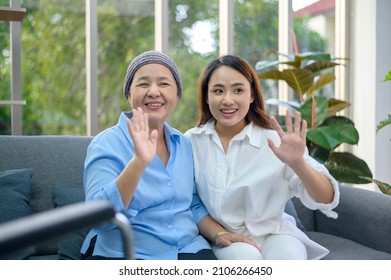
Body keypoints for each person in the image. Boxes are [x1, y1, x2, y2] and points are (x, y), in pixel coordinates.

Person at [80, 50, 256, 260]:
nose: (154, 92)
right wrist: (139, 163)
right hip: (126, 253)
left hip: (188, 249)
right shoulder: (107, 143)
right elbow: (98, 217)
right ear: (129, 95)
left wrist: (219, 234)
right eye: (143, 84)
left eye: (164, 84)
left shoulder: (184, 143)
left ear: (177, 95)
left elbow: (192, 204)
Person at [185, 54, 340, 260]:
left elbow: (326, 199)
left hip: (276, 234)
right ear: (206, 96)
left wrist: (298, 162)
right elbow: (188, 203)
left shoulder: (276, 141)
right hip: (227, 238)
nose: (227, 99)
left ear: (251, 95)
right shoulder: (191, 142)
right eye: (218, 91)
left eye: (238, 90)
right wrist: (219, 234)